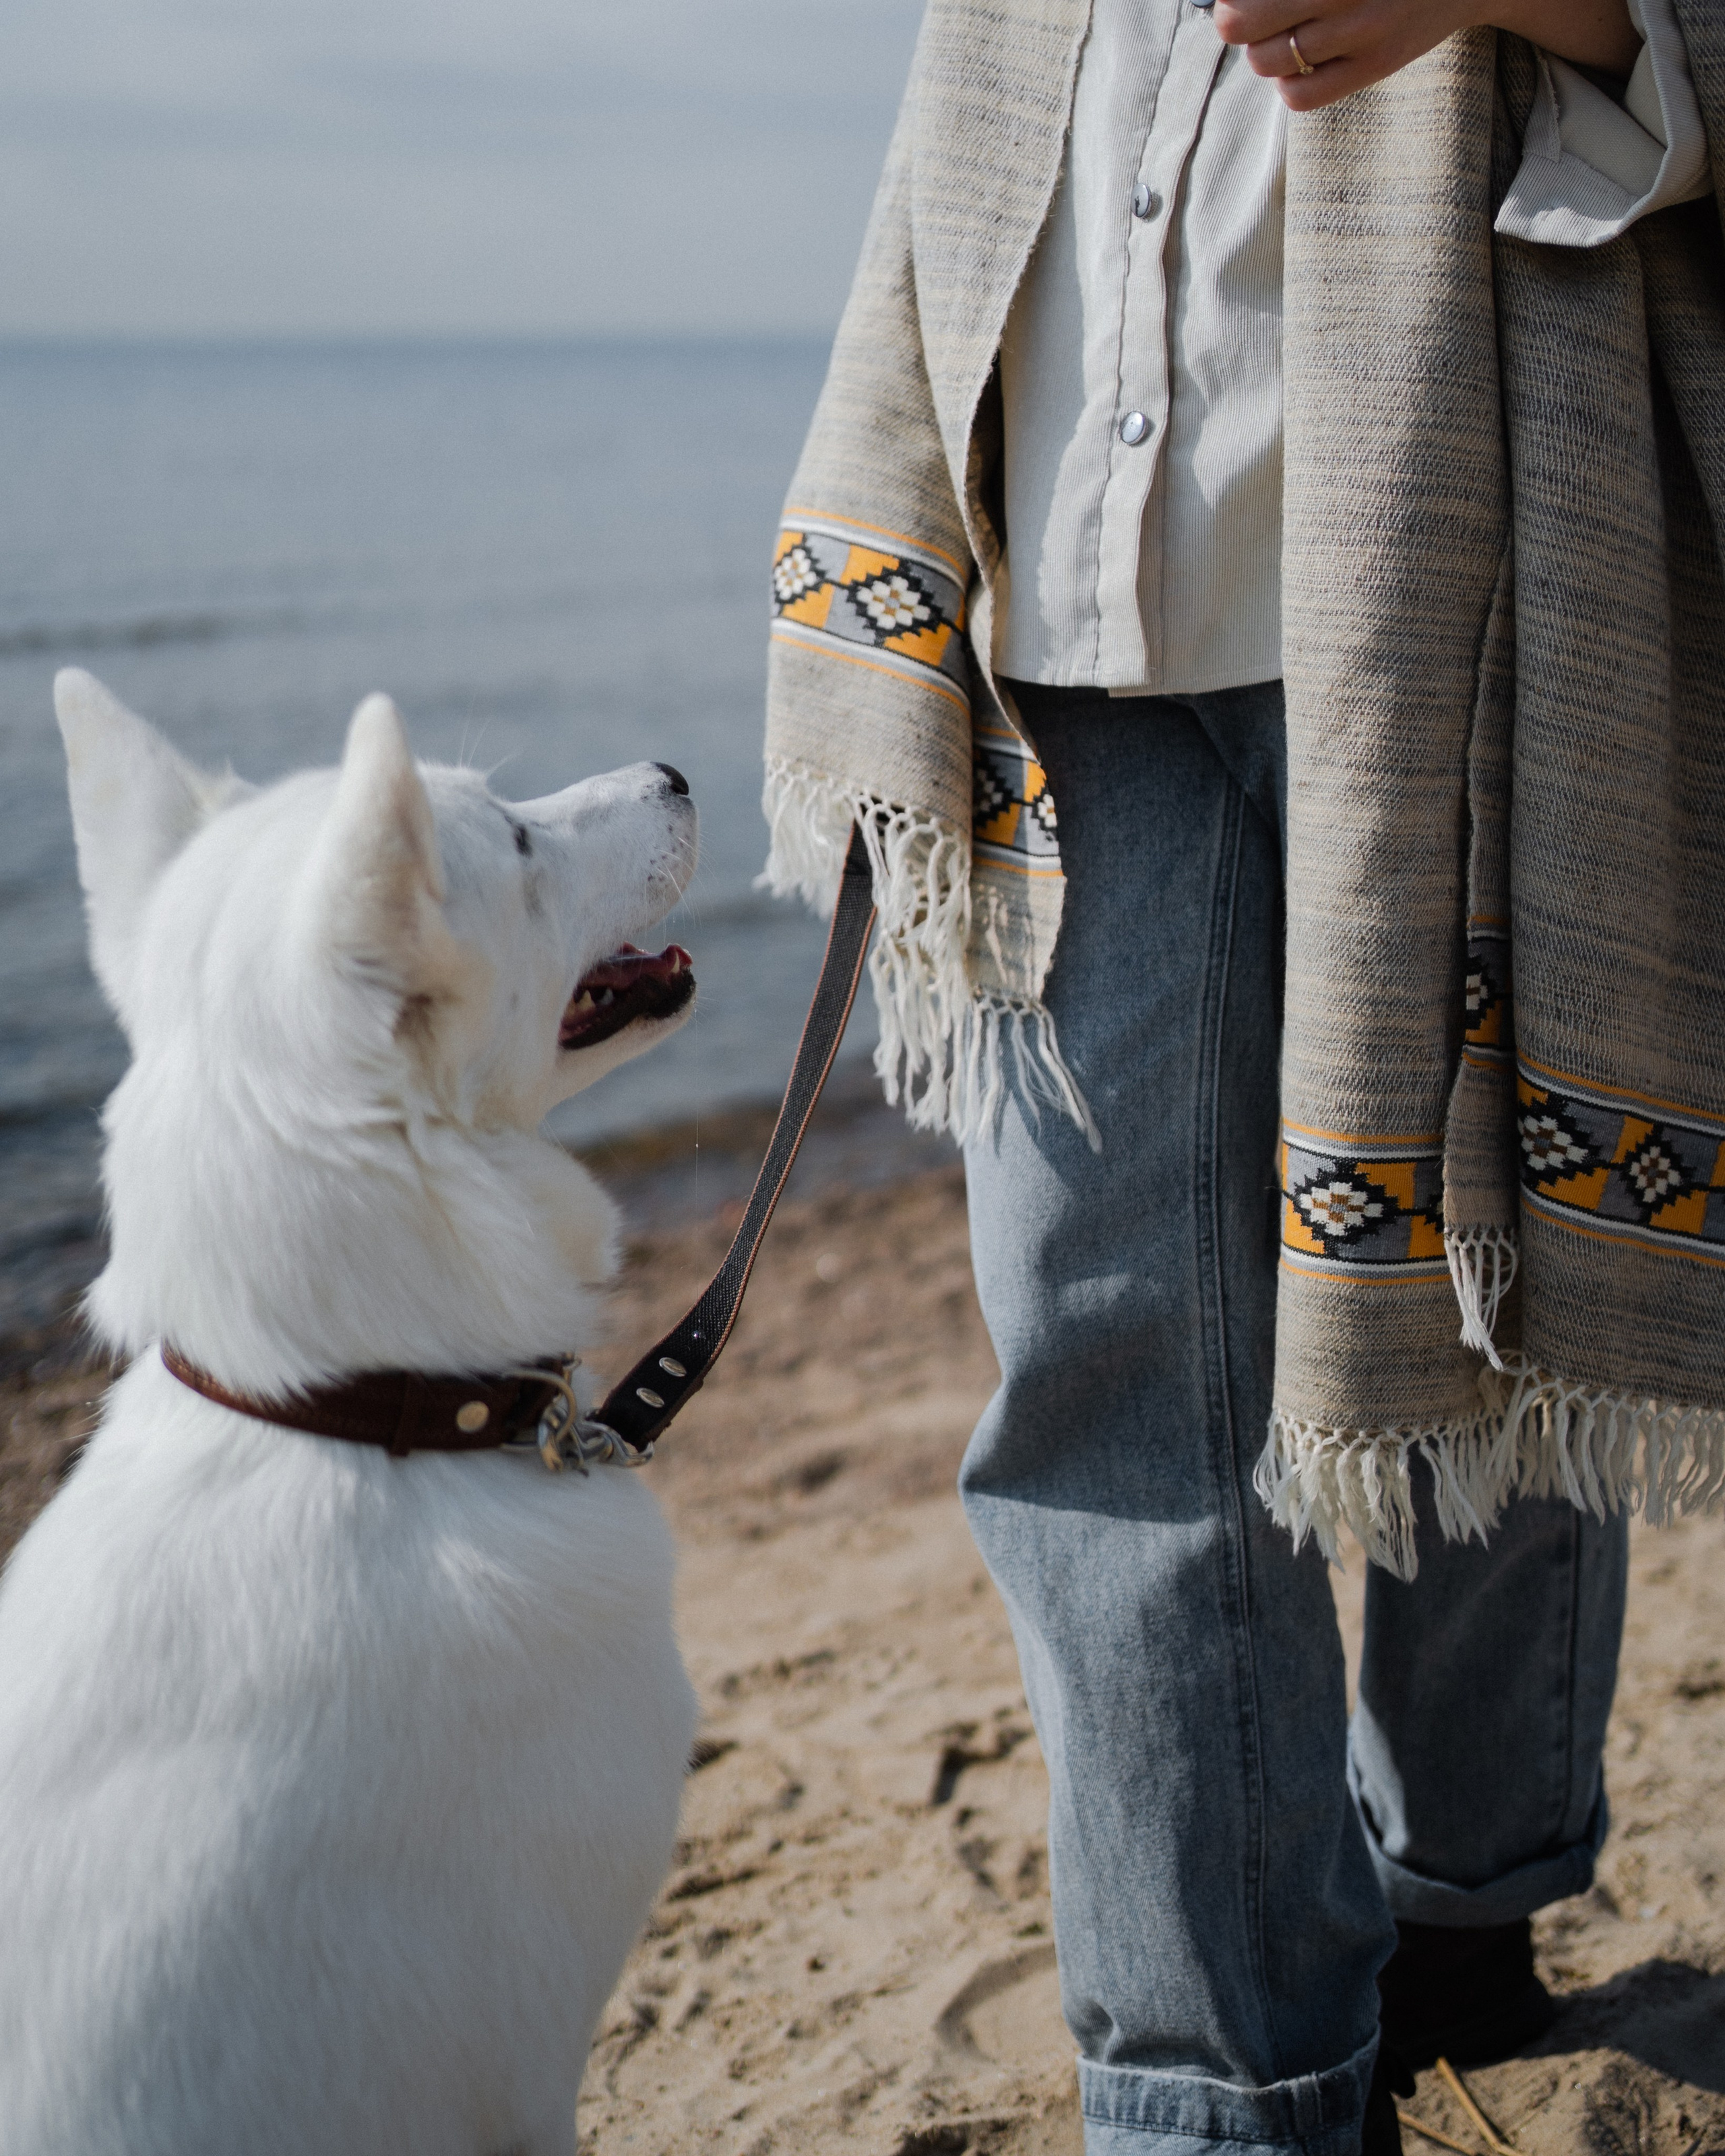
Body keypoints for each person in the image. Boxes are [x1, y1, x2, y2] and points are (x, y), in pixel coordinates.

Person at [761, 3, 1722, 2150]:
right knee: (1109, 1361)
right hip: (1060, 605)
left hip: (1472, 566)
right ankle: (1224, 2089)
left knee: (1482, 1301)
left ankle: (1465, 1890)